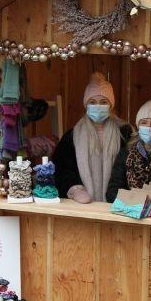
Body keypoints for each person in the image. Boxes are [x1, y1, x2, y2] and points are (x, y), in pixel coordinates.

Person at [53, 72, 131, 203]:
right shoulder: (72, 136)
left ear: (111, 105)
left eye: (103, 102)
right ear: (86, 105)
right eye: (92, 102)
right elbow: (62, 170)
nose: (98, 106)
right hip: (82, 207)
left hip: (118, 206)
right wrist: (75, 189)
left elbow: (129, 168)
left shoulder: (125, 133)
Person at [106, 97, 151, 203]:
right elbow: (112, 192)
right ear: (138, 126)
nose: (149, 127)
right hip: (131, 212)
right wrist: (133, 200)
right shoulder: (126, 152)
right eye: (144, 122)